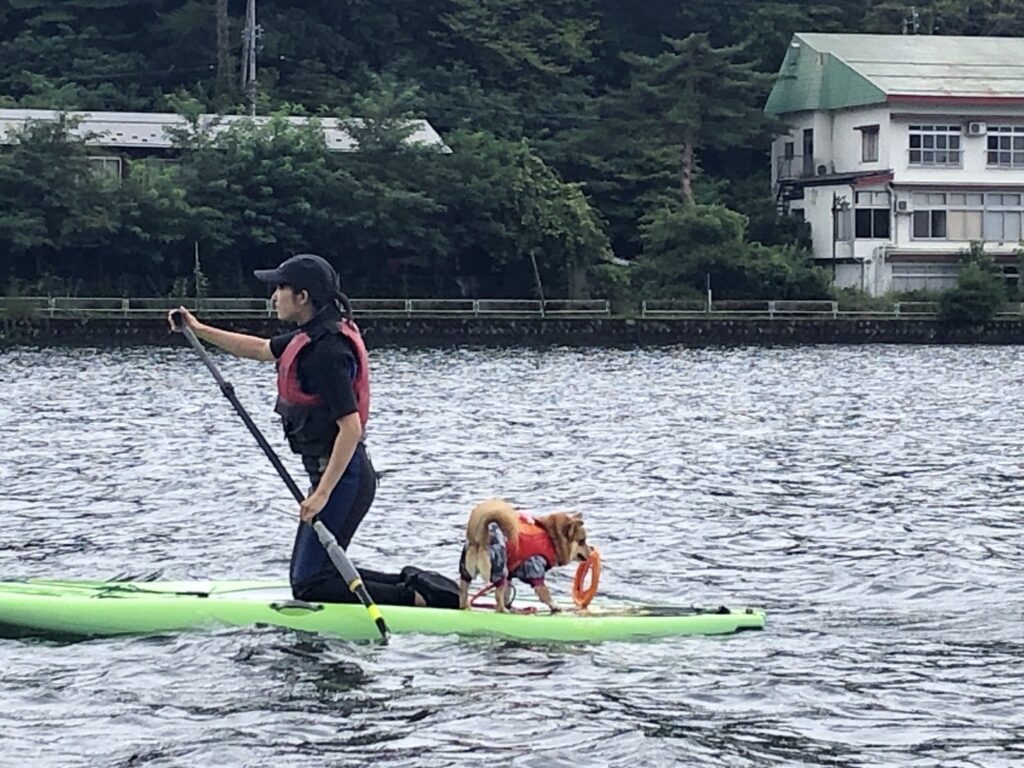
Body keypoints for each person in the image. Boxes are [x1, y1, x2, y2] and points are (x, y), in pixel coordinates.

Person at [168, 253, 458, 609]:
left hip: (345, 480)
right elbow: (260, 349)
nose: (274, 296)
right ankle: (418, 586)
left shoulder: (327, 351)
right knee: (312, 576)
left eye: (281, 288)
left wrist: (322, 493)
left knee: (310, 584)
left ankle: (414, 599)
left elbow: (350, 428)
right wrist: (197, 329)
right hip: (334, 477)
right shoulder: (310, 336)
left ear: (302, 297)